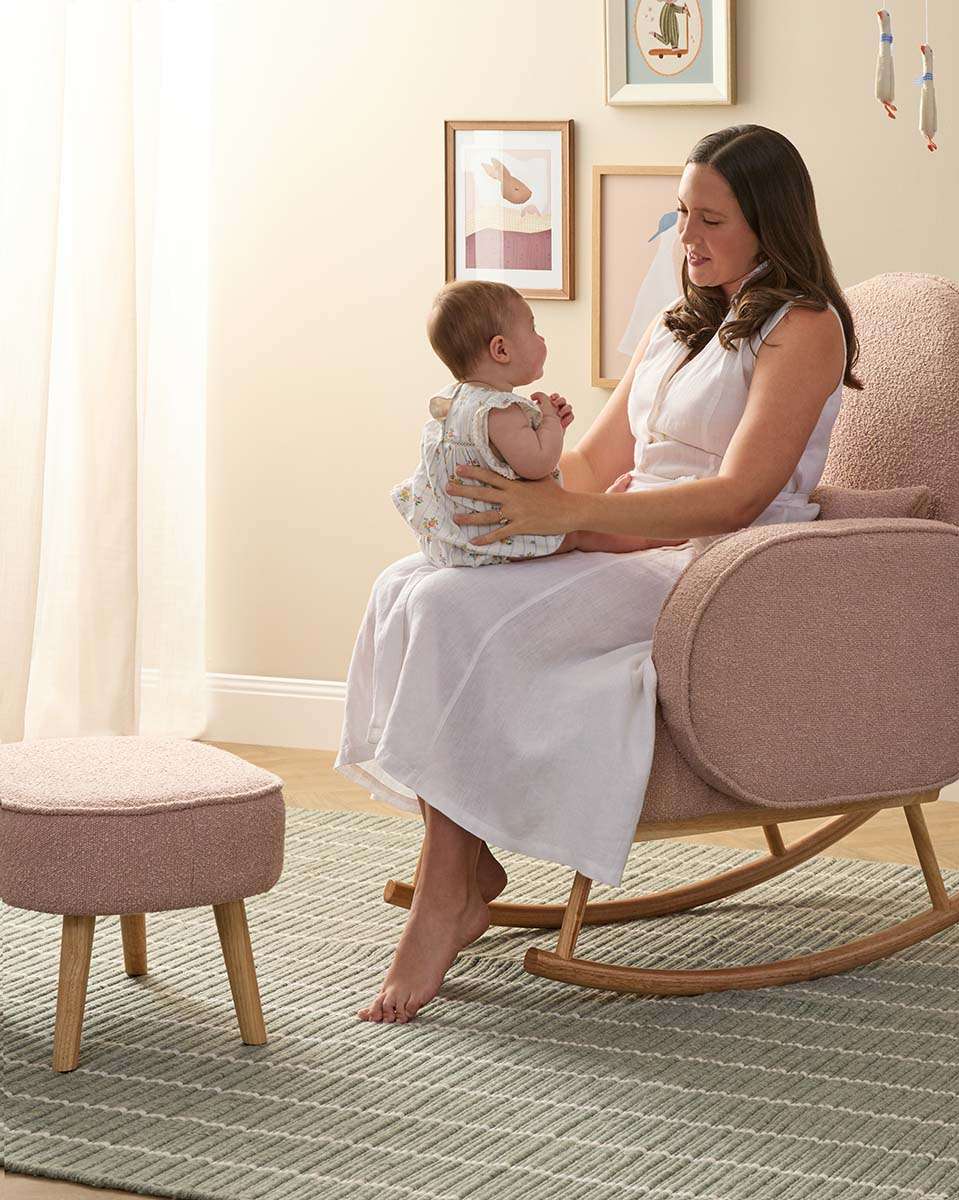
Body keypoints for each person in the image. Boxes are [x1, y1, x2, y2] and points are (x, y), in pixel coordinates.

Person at [335, 123, 863, 1024]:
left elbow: (739, 495)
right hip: (623, 534)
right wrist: (507, 499)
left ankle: (445, 896)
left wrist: (573, 521)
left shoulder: (805, 328)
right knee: (409, 585)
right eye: (682, 214)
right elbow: (592, 461)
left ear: (769, 222)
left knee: (457, 610)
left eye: (711, 221)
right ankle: (463, 865)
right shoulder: (678, 326)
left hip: (709, 567)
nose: (687, 238)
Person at [396, 280, 638, 567]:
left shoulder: (452, 402)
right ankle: (640, 534)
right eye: (533, 329)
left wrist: (546, 428)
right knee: (576, 535)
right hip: (497, 538)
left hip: (454, 537)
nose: (541, 338)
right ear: (501, 350)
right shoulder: (501, 411)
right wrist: (551, 423)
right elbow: (538, 464)